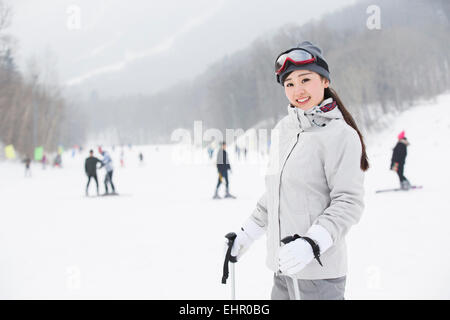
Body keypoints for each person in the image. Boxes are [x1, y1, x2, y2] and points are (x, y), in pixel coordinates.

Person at [225, 41, 369, 300]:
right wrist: (246, 235)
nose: (297, 90)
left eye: (305, 80)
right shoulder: (283, 130)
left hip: (319, 275)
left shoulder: (341, 135)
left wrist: (311, 244)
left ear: (324, 81)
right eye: (289, 84)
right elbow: (274, 194)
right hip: (283, 272)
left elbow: (348, 202)